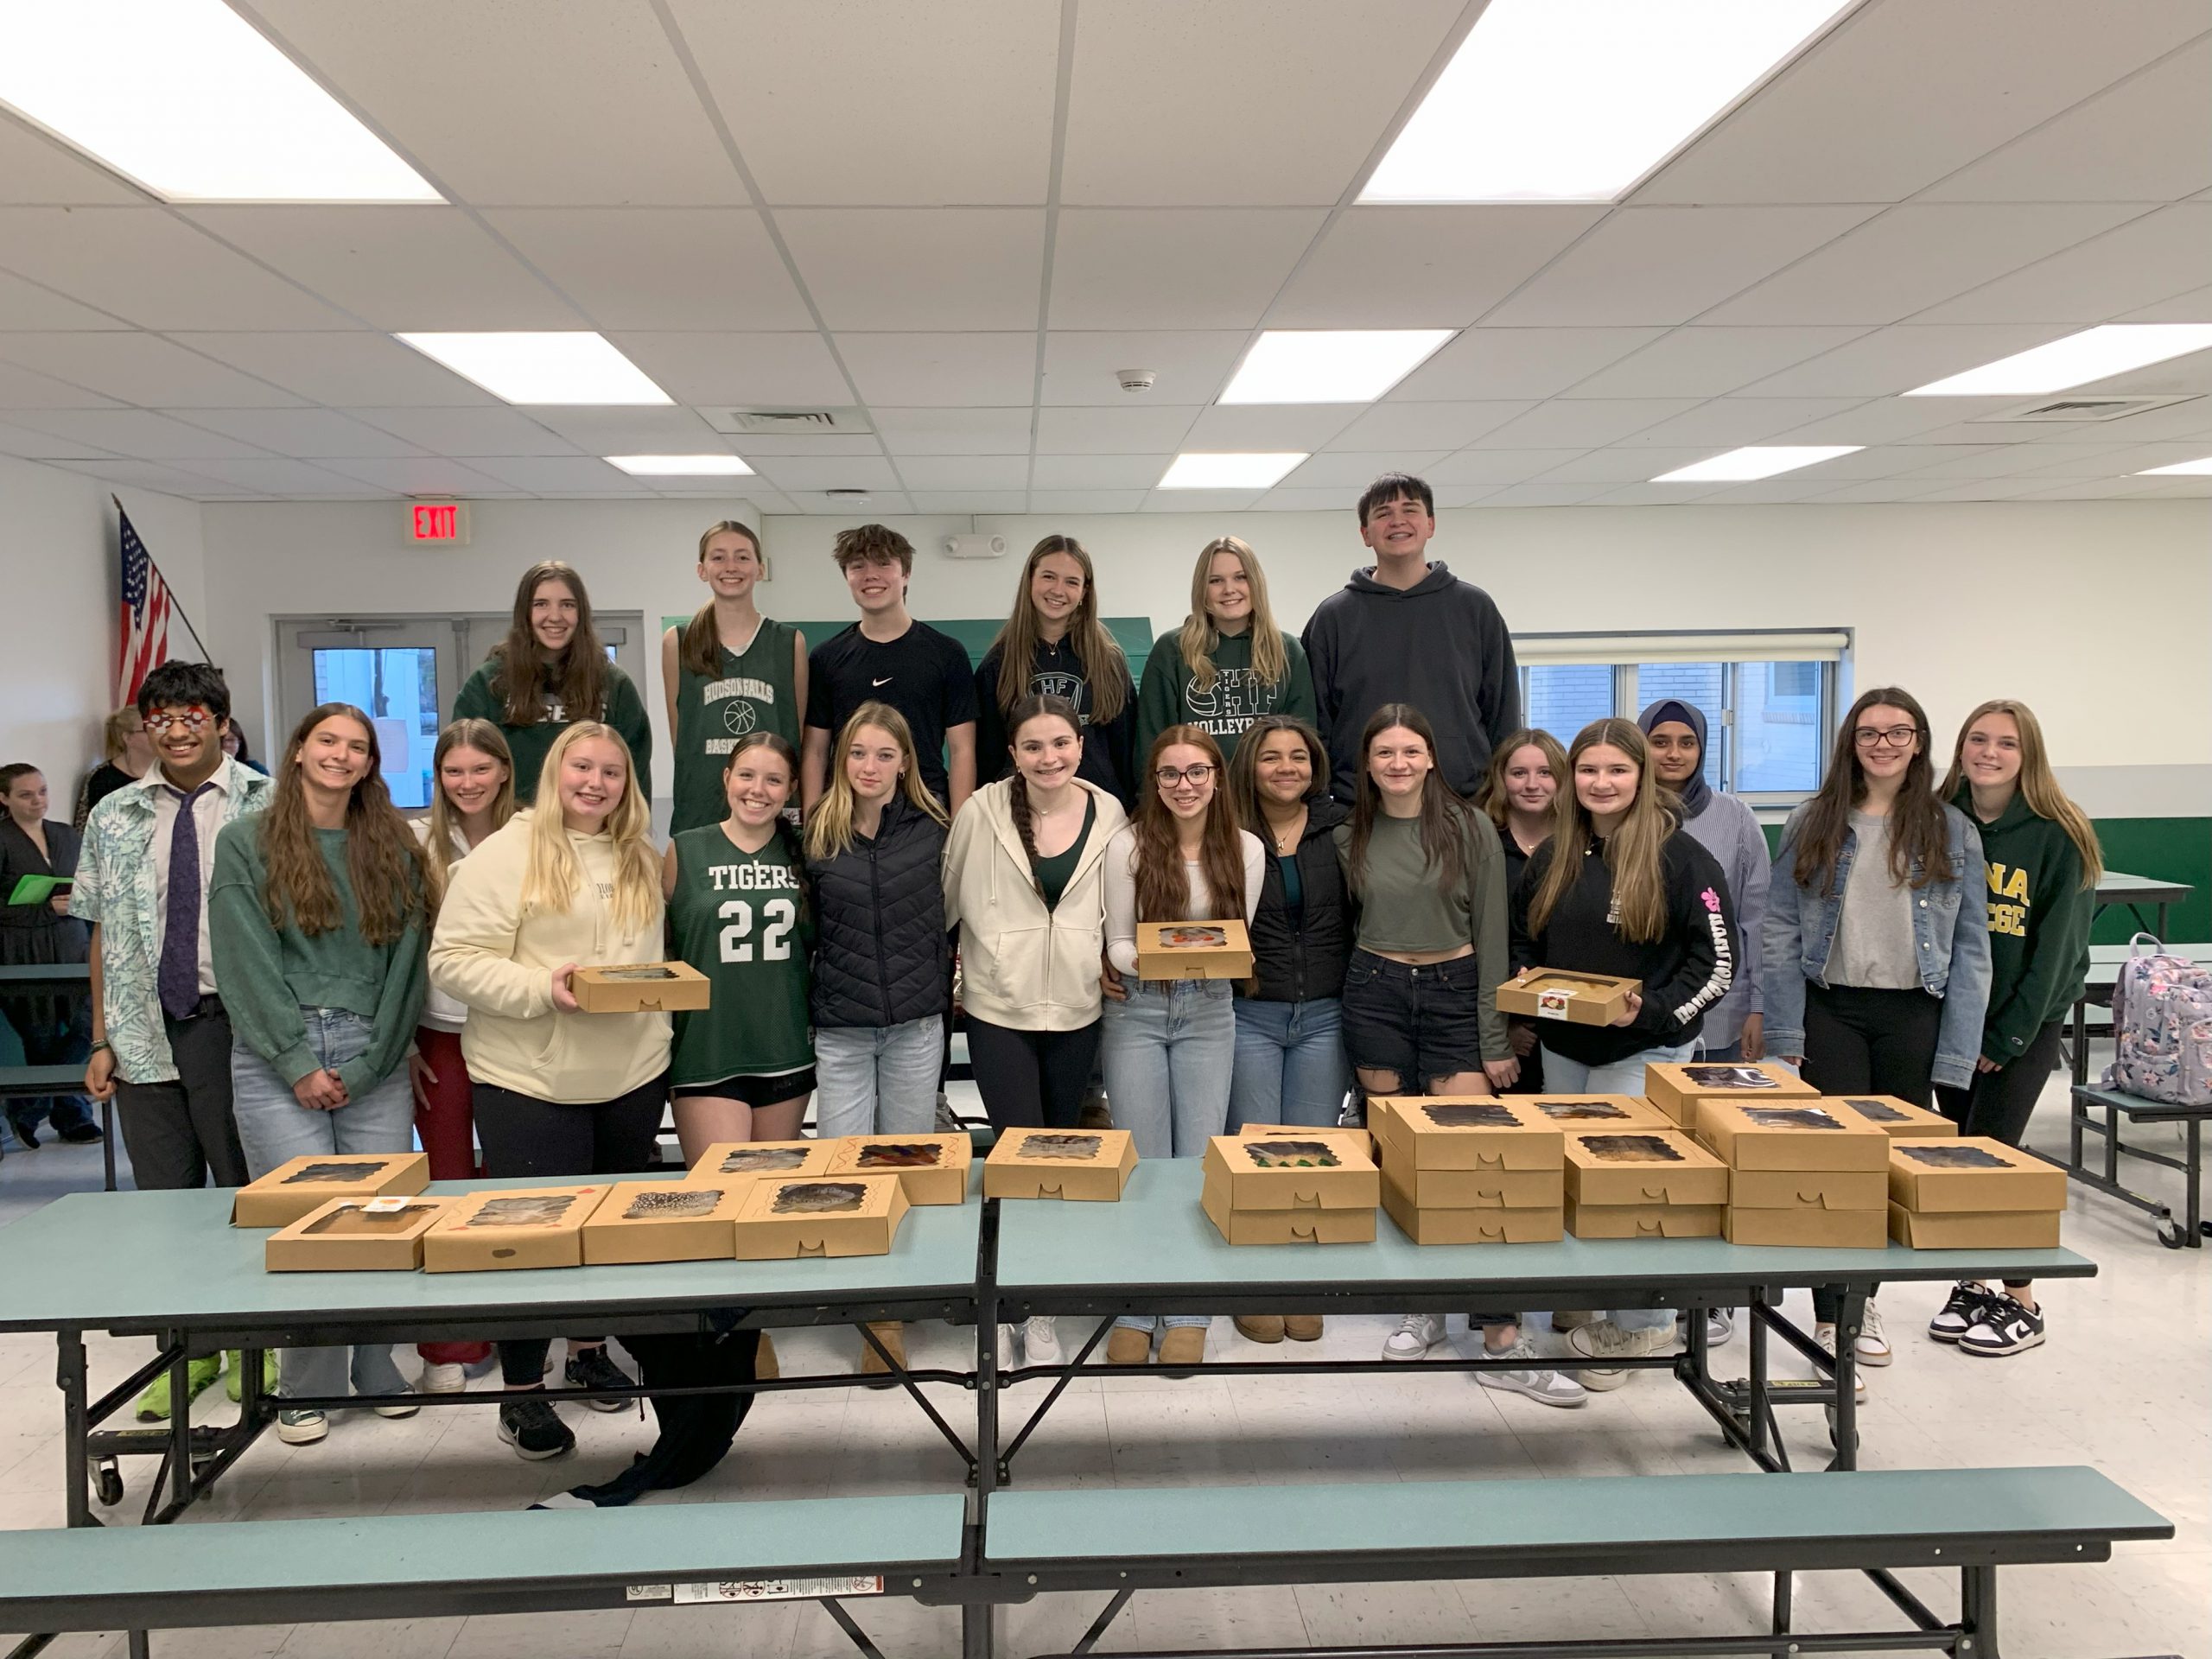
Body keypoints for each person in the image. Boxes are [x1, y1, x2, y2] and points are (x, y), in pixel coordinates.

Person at [429, 722, 668, 1462]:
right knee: (532, 1243)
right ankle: (522, 1390)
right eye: (581, 768)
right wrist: (540, 986)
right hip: (532, 1079)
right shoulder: (507, 853)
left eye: (611, 772)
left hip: (630, 1075)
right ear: (552, 774)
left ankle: (587, 1350)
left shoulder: (638, 854)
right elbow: (453, 961)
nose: (595, 783)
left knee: (606, 1233)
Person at [209, 703, 432, 1446]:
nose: (341, 756)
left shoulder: (394, 846)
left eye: (357, 748)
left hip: (374, 1046)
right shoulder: (246, 844)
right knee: (305, 1225)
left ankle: (374, 1366)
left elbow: (406, 965)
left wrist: (373, 1062)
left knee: (379, 1219)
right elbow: (243, 962)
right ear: (300, 750)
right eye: (327, 741)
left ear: (371, 766)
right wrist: (295, 1061)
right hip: (279, 1050)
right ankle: (305, 1384)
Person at [1340, 708, 1576, 1405]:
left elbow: (1494, 940)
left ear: (1432, 757)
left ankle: (1502, 1337)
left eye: (1411, 750)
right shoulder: (1351, 830)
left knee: (1473, 1166)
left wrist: (1494, 1036)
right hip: (1374, 993)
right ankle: (1426, 1310)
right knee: (1403, 1164)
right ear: (1369, 761)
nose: (1398, 763)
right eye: (1384, 751)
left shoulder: (1470, 826)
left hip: (1454, 994)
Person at [1764, 687, 1990, 1379]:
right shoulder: (1814, 820)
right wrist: (1783, 1031)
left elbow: (1973, 945)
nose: (1883, 744)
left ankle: (1865, 1306)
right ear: (1850, 743)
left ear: (1919, 741)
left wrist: (1957, 1046)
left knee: (1890, 1166)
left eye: (1898, 732)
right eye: (1869, 733)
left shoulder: (1951, 829)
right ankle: (1832, 1317)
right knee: (1837, 1167)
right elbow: (1778, 927)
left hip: (1910, 1014)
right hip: (1831, 1009)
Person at [73, 661, 273, 1422]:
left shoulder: (266, 802)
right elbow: (99, 935)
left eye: (195, 713)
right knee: (167, 1208)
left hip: (235, 1025)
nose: (179, 728)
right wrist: (100, 1037)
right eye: (161, 716)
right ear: (144, 727)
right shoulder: (113, 815)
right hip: (140, 1033)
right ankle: (189, 1350)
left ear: (222, 722)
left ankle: (266, 1350)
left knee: (244, 1193)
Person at [1512, 717, 1738, 1393]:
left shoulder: (1683, 858)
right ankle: (1593, 1300)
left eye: (1616, 770)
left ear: (1641, 776)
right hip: (1565, 1050)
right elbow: (1525, 940)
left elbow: (1718, 964)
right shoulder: (1554, 854)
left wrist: (1659, 1011)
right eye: (1588, 771)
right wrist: (1525, 977)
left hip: (1644, 1052)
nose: (1601, 783)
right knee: (1578, 1184)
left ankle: (1639, 1330)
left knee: (1632, 1189)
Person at [943, 695, 1128, 1370]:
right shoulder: (982, 811)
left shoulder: (1108, 811)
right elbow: (947, 893)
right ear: (1014, 754)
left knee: (1059, 1162)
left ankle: (1042, 1306)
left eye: (1060, 744)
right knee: (1016, 1161)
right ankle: (1005, 1307)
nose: (1049, 758)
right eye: (1033, 747)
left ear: (1079, 745)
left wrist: (1118, 954)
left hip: (1079, 1008)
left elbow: (1122, 903)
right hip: (1000, 1007)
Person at [1929, 699, 2096, 1360]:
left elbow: (2057, 953)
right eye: (1977, 739)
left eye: (2006, 743)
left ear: (2029, 756)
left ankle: (2023, 1299)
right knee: (1962, 1155)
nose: (1988, 753)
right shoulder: (1941, 820)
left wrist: (2008, 1039)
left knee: (1998, 1160)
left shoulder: (2059, 833)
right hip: (1955, 1022)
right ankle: (1972, 1284)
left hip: (2019, 1028)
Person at [1099, 727, 1263, 1370]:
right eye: (1170, 774)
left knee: (1196, 1162)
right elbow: (1116, 942)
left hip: (1208, 1013)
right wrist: (1150, 954)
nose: (1184, 785)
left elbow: (1234, 942)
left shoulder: (1244, 849)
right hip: (1137, 1008)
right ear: (1154, 782)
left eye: (1197, 772)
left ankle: (1190, 1309)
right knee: (1143, 1165)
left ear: (1218, 778)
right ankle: (1139, 1305)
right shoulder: (1128, 846)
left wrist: (1197, 954)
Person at [405, 718, 514, 1393]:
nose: (467, 783)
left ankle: (518, 1326)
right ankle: (448, 1344)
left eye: (480, 769)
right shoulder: (415, 843)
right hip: (438, 1033)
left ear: (504, 771)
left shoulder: (533, 836)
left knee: (510, 1185)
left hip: (515, 1031)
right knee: (445, 1181)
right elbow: (394, 946)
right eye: (454, 771)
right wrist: (405, 1042)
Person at [1303, 474, 1520, 801]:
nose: (1398, 521)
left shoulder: (1475, 609)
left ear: (1430, 524)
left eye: (1410, 510)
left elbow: (1502, 713)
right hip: (1360, 808)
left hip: (1461, 801)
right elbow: (1316, 725)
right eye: (1383, 513)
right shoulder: (1333, 618)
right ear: (1365, 533)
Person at [664, 732, 814, 1161]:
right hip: (706, 1049)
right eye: (746, 775)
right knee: (720, 1197)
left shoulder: (806, 851)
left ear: (790, 789)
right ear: (727, 777)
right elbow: (663, 949)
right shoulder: (684, 850)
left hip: (784, 1047)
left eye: (773, 780)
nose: (757, 790)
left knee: (768, 1196)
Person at [806, 702, 950, 1139]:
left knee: (907, 1167)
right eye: (857, 753)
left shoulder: (935, 829)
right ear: (841, 759)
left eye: (885, 755)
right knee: (840, 1173)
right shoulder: (816, 834)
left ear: (905, 763)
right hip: (842, 1030)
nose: (870, 767)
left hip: (915, 1029)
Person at [802, 524, 977, 817]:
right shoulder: (826, 658)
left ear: (905, 573)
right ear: (847, 576)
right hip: (847, 814)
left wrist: (961, 828)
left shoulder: (947, 654)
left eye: (883, 563)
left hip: (925, 813)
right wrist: (812, 824)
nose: (871, 575)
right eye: (858, 566)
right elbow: (816, 752)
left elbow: (962, 751)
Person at [454, 561, 652, 807]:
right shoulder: (488, 683)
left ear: (581, 613)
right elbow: (464, 768)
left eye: (567, 605)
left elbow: (637, 778)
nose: (555, 616)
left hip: (592, 832)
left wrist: (632, 838)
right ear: (525, 613)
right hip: (513, 831)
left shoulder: (613, 685)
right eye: (541, 604)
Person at [661, 520, 806, 836]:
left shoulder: (788, 642)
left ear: (760, 568)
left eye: (742, 557)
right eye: (718, 557)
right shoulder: (678, 642)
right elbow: (681, 739)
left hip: (773, 811)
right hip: (702, 807)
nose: (731, 566)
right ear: (702, 570)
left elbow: (796, 733)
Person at [975, 535, 1137, 806]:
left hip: (1100, 814)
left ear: (1085, 591)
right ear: (1030, 581)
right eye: (1049, 577)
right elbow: (987, 756)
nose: (1058, 590)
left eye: (1072, 581)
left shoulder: (1109, 661)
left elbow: (1129, 749)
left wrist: (1136, 811)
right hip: (1020, 813)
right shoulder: (998, 664)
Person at [1135, 536, 1315, 766]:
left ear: (1256, 583)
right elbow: (1151, 743)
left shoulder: (1287, 650)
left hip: (1267, 798)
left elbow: (1305, 742)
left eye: (1241, 577)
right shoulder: (1172, 649)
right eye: (1216, 581)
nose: (1229, 589)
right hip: (1194, 795)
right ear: (1202, 589)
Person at [0, 764, 101, 1147]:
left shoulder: (64, 834)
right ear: (4, 799)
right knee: (40, 1036)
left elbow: (90, 882)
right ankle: (72, 1116)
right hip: (22, 946)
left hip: (71, 940)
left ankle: (28, 1106)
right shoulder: (3, 839)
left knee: (84, 1025)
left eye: (42, 791)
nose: (38, 800)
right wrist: (45, 910)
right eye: (26, 795)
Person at [1474, 729, 1568, 1097]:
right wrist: (1503, 1028)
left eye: (1545, 773)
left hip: (1569, 1019)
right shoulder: (1479, 842)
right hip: (1495, 1022)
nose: (1532, 784)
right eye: (1519, 774)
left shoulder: (1582, 845)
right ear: (1501, 779)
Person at [76, 707, 155, 828]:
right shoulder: (104, 779)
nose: (157, 733)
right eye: (147, 729)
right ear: (128, 738)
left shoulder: (172, 771)